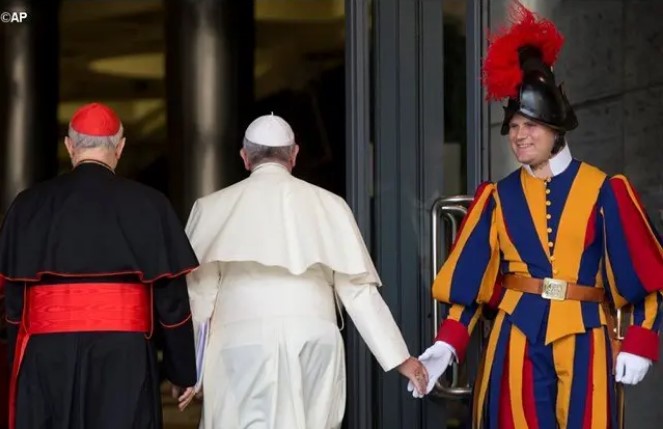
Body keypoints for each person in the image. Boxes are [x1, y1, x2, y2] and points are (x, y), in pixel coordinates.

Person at [414, 2, 663, 428]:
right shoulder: (495, 198)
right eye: (512, 127)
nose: (519, 135)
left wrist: (641, 339)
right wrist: (448, 343)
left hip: (587, 336)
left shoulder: (605, 190)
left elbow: (644, 281)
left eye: (530, 125)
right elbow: (471, 286)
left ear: (556, 128)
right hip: (515, 336)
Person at [183, 113, 428, 428]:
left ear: (244, 157)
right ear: (294, 155)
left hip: (237, 343)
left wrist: (191, 370)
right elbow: (357, 292)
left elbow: (199, 296)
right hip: (312, 338)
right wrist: (401, 358)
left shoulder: (211, 207)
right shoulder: (330, 204)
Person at [0, 103, 199, 429]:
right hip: (124, 353)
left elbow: (13, 304)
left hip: (48, 354)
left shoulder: (28, 204)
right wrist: (181, 372)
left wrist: (17, 365)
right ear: (120, 148)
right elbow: (172, 302)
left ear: (69, 146)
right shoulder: (150, 204)